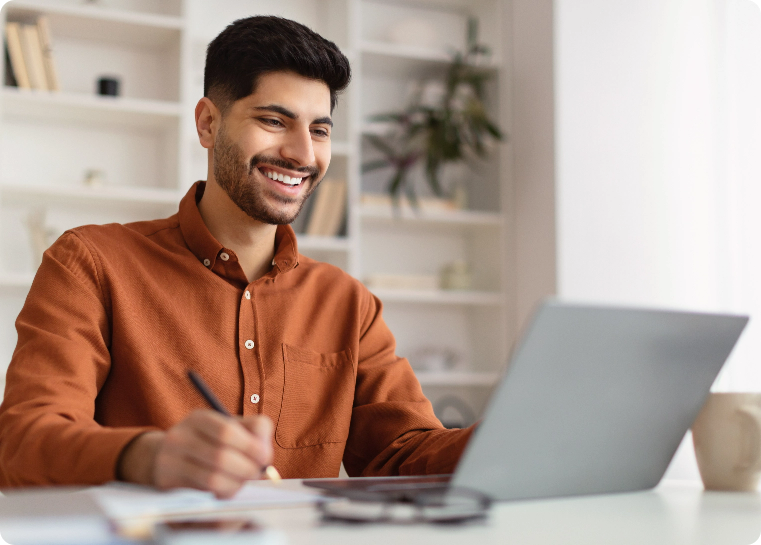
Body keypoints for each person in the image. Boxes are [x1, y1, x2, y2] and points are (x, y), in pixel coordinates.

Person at [0, 16, 473, 498]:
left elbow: (404, 455)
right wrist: (148, 456)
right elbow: (24, 443)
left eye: (320, 130)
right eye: (273, 121)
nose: (302, 153)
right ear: (208, 123)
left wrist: (519, 438)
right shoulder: (91, 263)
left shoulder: (349, 304)